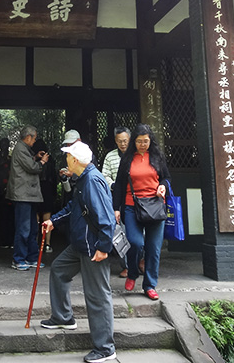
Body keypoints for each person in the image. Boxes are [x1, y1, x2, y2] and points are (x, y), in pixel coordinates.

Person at [41, 141, 117, 363]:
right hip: (79, 245)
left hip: (93, 248)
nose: (66, 160)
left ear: (75, 160)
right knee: (58, 270)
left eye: (67, 157)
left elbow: (106, 219)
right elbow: (74, 208)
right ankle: (63, 317)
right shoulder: (82, 179)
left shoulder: (92, 181)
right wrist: (53, 221)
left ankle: (105, 349)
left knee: (97, 296)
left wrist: (104, 248)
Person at [112, 123, 171, 301]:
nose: (143, 145)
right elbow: (120, 185)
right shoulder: (128, 159)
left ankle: (149, 285)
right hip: (132, 206)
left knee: (153, 248)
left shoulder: (158, 157)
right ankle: (132, 272)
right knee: (135, 242)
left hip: (155, 206)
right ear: (133, 142)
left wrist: (163, 186)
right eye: (139, 141)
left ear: (150, 141)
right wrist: (116, 208)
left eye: (146, 141)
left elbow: (167, 178)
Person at [6, 125, 49, 271]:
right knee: (23, 228)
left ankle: (31, 257)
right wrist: (41, 162)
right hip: (23, 195)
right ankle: (18, 259)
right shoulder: (19, 148)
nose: (35, 141)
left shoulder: (23, 149)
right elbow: (32, 167)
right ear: (28, 137)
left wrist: (35, 157)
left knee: (32, 228)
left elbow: (28, 162)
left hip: (29, 195)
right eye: (34, 138)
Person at [101, 127, 131, 278]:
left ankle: (140, 261)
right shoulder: (110, 156)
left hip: (135, 199)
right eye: (120, 141)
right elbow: (104, 175)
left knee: (140, 234)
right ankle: (125, 265)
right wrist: (113, 185)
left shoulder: (136, 155)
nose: (123, 144)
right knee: (120, 234)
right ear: (115, 141)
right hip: (117, 199)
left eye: (125, 140)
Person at [33, 138, 57, 253]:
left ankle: (35, 243)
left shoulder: (35, 159)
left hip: (36, 189)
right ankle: (47, 244)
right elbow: (54, 177)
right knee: (47, 219)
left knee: (36, 218)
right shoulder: (50, 159)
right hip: (48, 190)